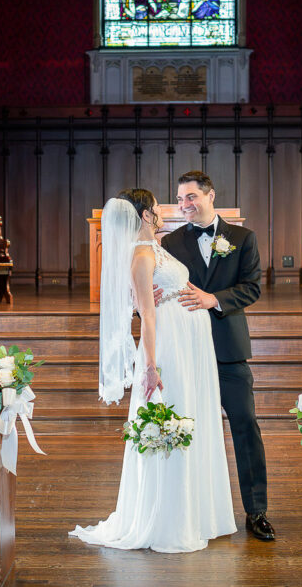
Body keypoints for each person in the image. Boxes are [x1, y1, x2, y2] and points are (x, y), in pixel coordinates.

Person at [69, 189, 236, 553]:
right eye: (157, 206)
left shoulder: (155, 247)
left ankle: (197, 512)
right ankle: (169, 519)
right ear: (145, 215)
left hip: (190, 344)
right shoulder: (141, 256)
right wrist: (150, 367)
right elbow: (146, 317)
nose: (162, 210)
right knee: (172, 416)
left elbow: (165, 291)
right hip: (169, 349)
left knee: (192, 415)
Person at [158, 170, 274, 541]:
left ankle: (256, 512)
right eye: (179, 199)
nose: (184, 204)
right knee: (188, 427)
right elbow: (161, 286)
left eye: (191, 197)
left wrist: (215, 300)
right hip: (186, 348)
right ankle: (189, 511)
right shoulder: (172, 241)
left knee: (245, 425)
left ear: (210, 195)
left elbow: (251, 288)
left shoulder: (242, 238)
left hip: (228, 348)